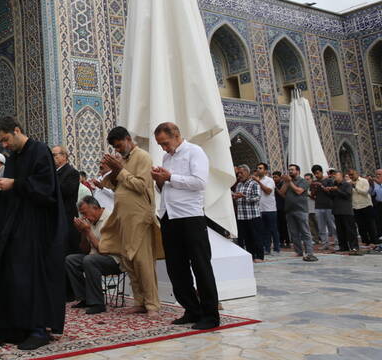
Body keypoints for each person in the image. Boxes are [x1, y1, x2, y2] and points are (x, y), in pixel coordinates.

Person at [0, 117, 65, 350]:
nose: (4, 145)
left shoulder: (40, 151)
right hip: (15, 227)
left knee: (31, 278)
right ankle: (16, 325)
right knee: (13, 275)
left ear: (17, 130)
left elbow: (45, 188)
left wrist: (14, 184)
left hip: (35, 229)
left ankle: (38, 328)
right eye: (1, 142)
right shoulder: (14, 159)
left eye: (6, 139)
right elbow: (13, 188)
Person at [150, 122, 219, 330]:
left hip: (190, 216)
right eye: (160, 144)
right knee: (176, 268)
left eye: (165, 143)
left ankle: (210, 314)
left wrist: (170, 177)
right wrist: (160, 181)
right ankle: (191, 309)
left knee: (200, 266)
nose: (163, 148)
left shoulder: (194, 152)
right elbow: (167, 188)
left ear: (177, 135)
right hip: (169, 216)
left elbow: (199, 182)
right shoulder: (166, 158)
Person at [98, 126, 161, 318]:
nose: (118, 150)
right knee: (129, 262)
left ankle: (152, 305)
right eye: (115, 148)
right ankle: (139, 301)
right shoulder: (123, 160)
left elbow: (141, 186)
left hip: (140, 218)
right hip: (124, 219)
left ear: (127, 139)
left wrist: (120, 170)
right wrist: (113, 171)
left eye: (119, 146)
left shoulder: (142, 157)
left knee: (143, 263)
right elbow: (117, 185)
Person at [65, 196, 120, 315]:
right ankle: (84, 298)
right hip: (94, 258)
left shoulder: (109, 219)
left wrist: (89, 231)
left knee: (90, 260)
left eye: (84, 213)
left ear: (95, 208)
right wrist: (83, 233)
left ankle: (97, 303)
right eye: (81, 214)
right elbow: (84, 250)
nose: (83, 217)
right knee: (70, 260)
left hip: (114, 259)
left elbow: (103, 251)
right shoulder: (90, 221)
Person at [52, 145, 81, 301]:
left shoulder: (72, 173)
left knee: (68, 254)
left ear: (64, 156)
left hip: (67, 221)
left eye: (55, 155)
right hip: (55, 220)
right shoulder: (54, 174)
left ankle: (71, 292)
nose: (53, 158)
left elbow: (66, 191)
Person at [278, 165, 318, 261]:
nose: (290, 171)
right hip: (289, 210)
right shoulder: (288, 182)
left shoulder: (303, 181)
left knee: (305, 232)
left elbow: (299, 191)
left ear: (298, 171)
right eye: (289, 170)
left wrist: (290, 182)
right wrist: (286, 183)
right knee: (294, 233)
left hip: (301, 210)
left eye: (292, 170)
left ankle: (309, 252)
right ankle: (298, 251)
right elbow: (281, 193)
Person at [232, 165, 264, 262]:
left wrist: (244, 196)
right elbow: (238, 199)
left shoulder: (254, 184)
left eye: (241, 173)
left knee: (256, 237)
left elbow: (257, 198)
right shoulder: (239, 185)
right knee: (246, 238)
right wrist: (235, 197)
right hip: (242, 216)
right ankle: (251, 255)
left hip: (253, 216)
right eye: (238, 174)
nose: (239, 175)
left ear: (247, 172)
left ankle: (259, 256)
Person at [324, 171, 359, 254]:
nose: (334, 177)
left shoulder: (346, 184)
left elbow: (347, 195)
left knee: (350, 230)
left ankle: (354, 247)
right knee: (340, 231)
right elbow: (332, 197)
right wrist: (328, 191)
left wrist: (337, 190)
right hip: (337, 210)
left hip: (346, 210)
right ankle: (343, 246)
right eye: (334, 176)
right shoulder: (333, 184)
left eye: (336, 175)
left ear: (341, 176)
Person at [254, 163, 279, 255]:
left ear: (265, 171)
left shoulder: (270, 180)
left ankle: (276, 248)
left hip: (270, 209)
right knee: (264, 230)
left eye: (260, 168)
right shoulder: (255, 181)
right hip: (260, 209)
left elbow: (268, 191)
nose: (258, 169)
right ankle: (267, 248)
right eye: (257, 168)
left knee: (273, 229)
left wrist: (259, 182)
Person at [348, 169, 378, 245]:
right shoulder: (348, 183)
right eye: (350, 175)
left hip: (366, 205)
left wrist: (355, 186)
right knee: (361, 225)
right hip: (356, 207)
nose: (351, 176)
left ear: (356, 173)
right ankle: (365, 241)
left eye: (352, 174)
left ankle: (374, 241)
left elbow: (365, 192)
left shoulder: (364, 181)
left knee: (370, 224)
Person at [310, 165, 336, 249]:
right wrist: (313, 189)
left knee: (332, 226)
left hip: (329, 206)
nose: (316, 175)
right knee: (321, 227)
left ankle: (337, 242)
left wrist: (321, 185)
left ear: (321, 172)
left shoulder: (329, 180)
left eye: (317, 173)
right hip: (318, 206)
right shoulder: (314, 183)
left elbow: (331, 193)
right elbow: (313, 195)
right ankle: (325, 243)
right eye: (315, 174)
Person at [272, 170, 290, 247]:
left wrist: (276, 189)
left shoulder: (283, 184)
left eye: (276, 177)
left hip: (283, 207)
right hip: (275, 208)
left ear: (280, 177)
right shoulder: (272, 184)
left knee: (284, 225)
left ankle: (288, 241)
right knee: (278, 225)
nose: (274, 179)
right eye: (273, 177)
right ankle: (281, 241)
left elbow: (283, 195)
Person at [371, 169, 382, 236]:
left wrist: (379, 182)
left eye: (379, 174)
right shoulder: (375, 183)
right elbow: (372, 193)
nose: (377, 176)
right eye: (376, 174)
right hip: (378, 204)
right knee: (379, 220)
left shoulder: (377, 182)